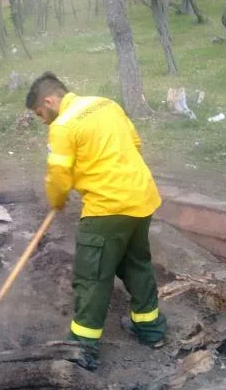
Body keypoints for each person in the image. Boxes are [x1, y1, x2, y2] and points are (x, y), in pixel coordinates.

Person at [25, 72, 167, 369]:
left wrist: (58, 200)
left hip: (106, 209)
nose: (42, 120)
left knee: (92, 277)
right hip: (141, 199)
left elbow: (59, 177)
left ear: (49, 101)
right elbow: (135, 144)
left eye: (40, 113)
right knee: (136, 264)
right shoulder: (106, 104)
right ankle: (151, 330)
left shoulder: (63, 126)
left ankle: (82, 347)